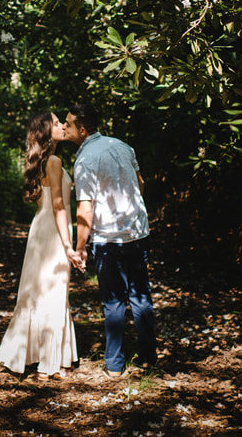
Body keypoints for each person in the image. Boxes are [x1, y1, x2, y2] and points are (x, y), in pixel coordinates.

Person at [64, 103, 157, 378]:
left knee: (114, 300)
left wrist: (80, 248)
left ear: (82, 129)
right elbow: (140, 183)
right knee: (141, 296)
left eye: (68, 124)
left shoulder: (85, 160)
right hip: (138, 232)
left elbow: (85, 208)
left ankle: (115, 365)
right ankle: (149, 359)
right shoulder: (122, 146)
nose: (64, 128)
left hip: (108, 238)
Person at [0, 111, 78, 379]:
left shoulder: (45, 160)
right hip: (54, 230)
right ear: (45, 131)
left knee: (38, 290)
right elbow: (58, 205)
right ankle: (51, 361)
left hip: (41, 229)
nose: (62, 126)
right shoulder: (54, 160)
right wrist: (69, 244)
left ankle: (32, 354)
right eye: (56, 123)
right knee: (54, 289)